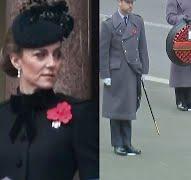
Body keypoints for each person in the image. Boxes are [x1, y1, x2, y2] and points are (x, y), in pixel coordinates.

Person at [0, 1, 99, 179]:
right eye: (40, 55)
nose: (52, 63)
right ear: (16, 60)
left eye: (57, 54)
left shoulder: (79, 115)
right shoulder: (2, 116)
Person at [100, 0, 149, 156]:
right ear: (119, 2)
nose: (130, 6)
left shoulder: (137, 21)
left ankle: (127, 143)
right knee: (116, 108)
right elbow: (103, 53)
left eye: (132, 2)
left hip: (132, 70)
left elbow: (142, 46)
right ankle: (118, 144)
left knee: (129, 107)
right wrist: (105, 74)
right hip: (116, 72)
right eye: (127, 2)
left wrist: (144, 69)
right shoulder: (108, 25)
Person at [166, 0, 191, 111]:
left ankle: (189, 100)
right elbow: (170, 17)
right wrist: (181, 18)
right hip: (180, 35)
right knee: (180, 69)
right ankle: (180, 100)